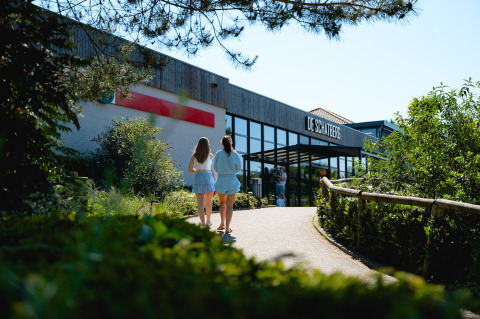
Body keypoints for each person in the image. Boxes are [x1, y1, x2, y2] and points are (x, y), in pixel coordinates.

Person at [213, 135, 242, 233]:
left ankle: (222, 223)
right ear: (231, 143)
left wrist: (222, 171)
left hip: (221, 179)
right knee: (230, 205)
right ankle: (227, 228)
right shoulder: (235, 154)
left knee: (222, 203)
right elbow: (239, 168)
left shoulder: (218, 153)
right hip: (232, 180)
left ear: (222, 143)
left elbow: (215, 167)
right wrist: (232, 171)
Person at [188, 137, 217, 228]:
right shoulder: (211, 156)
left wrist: (197, 170)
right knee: (208, 202)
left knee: (200, 204)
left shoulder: (194, 156)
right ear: (208, 145)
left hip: (199, 178)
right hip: (209, 178)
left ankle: (203, 224)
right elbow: (213, 171)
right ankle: (208, 222)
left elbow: (189, 170)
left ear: (198, 145)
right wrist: (215, 182)